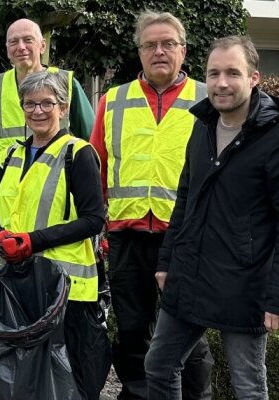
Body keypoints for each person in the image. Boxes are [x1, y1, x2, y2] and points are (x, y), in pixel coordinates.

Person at [145, 35, 279, 400]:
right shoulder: (202, 126)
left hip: (245, 283)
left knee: (248, 387)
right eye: (214, 73)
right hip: (189, 275)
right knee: (159, 366)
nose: (222, 83)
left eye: (232, 73)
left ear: (254, 78)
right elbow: (186, 198)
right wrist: (166, 260)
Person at [89, 11, 213, 399]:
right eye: (150, 45)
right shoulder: (113, 101)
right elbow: (97, 168)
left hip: (188, 238)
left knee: (189, 331)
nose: (159, 51)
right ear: (139, 52)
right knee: (131, 331)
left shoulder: (209, 98)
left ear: (183, 50)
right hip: (127, 238)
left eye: (167, 44)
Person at [0, 71, 110, 399]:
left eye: (47, 104)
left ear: (64, 108)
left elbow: (93, 219)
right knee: (22, 377)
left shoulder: (76, 154)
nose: (38, 111)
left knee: (66, 380)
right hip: (16, 284)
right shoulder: (12, 155)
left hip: (63, 288)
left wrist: (32, 241)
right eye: (30, 104)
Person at [0, 18, 95, 167]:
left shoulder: (66, 82)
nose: (21, 47)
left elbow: (91, 138)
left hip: (56, 181)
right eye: (13, 42)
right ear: (7, 51)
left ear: (42, 46)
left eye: (28, 40)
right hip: (7, 183)